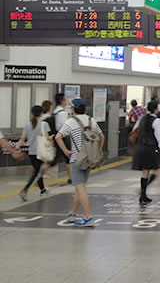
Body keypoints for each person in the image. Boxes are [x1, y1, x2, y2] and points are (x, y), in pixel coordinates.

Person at [55, 98, 104, 227]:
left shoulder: (71, 121)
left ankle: (88, 217)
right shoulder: (91, 120)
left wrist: (66, 151)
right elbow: (101, 137)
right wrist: (97, 151)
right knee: (80, 188)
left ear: (73, 109)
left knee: (80, 188)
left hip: (77, 159)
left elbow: (58, 137)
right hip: (89, 159)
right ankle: (72, 213)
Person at [132, 101, 160, 203]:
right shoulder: (156, 121)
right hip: (150, 148)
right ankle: (144, 189)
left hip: (140, 147)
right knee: (156, 170)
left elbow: (135, 130)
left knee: (145, 171)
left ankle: (143, 195)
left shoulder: (141, 119)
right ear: (156, 109)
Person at [16, 105, 51, 200]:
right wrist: (51, 139)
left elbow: (22, 138)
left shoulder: (27, 125)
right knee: (37, 172)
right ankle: (25, 190)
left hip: (31, 152)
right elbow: (46, 138)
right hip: (41, 152)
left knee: (38, 171)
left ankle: (43, 190)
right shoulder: (44, 124)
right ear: (41, 113)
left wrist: (17, 146)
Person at [50, 93, 72, 184]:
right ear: (62, 101)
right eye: (65, 99)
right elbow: (64, 126)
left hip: (55, 136)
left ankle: (39, 176)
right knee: (68, 157)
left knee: (54, 159)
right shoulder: (62, 113)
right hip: (62, 137)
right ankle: (70, 177)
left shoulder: (55, 111)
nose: (67, 101)